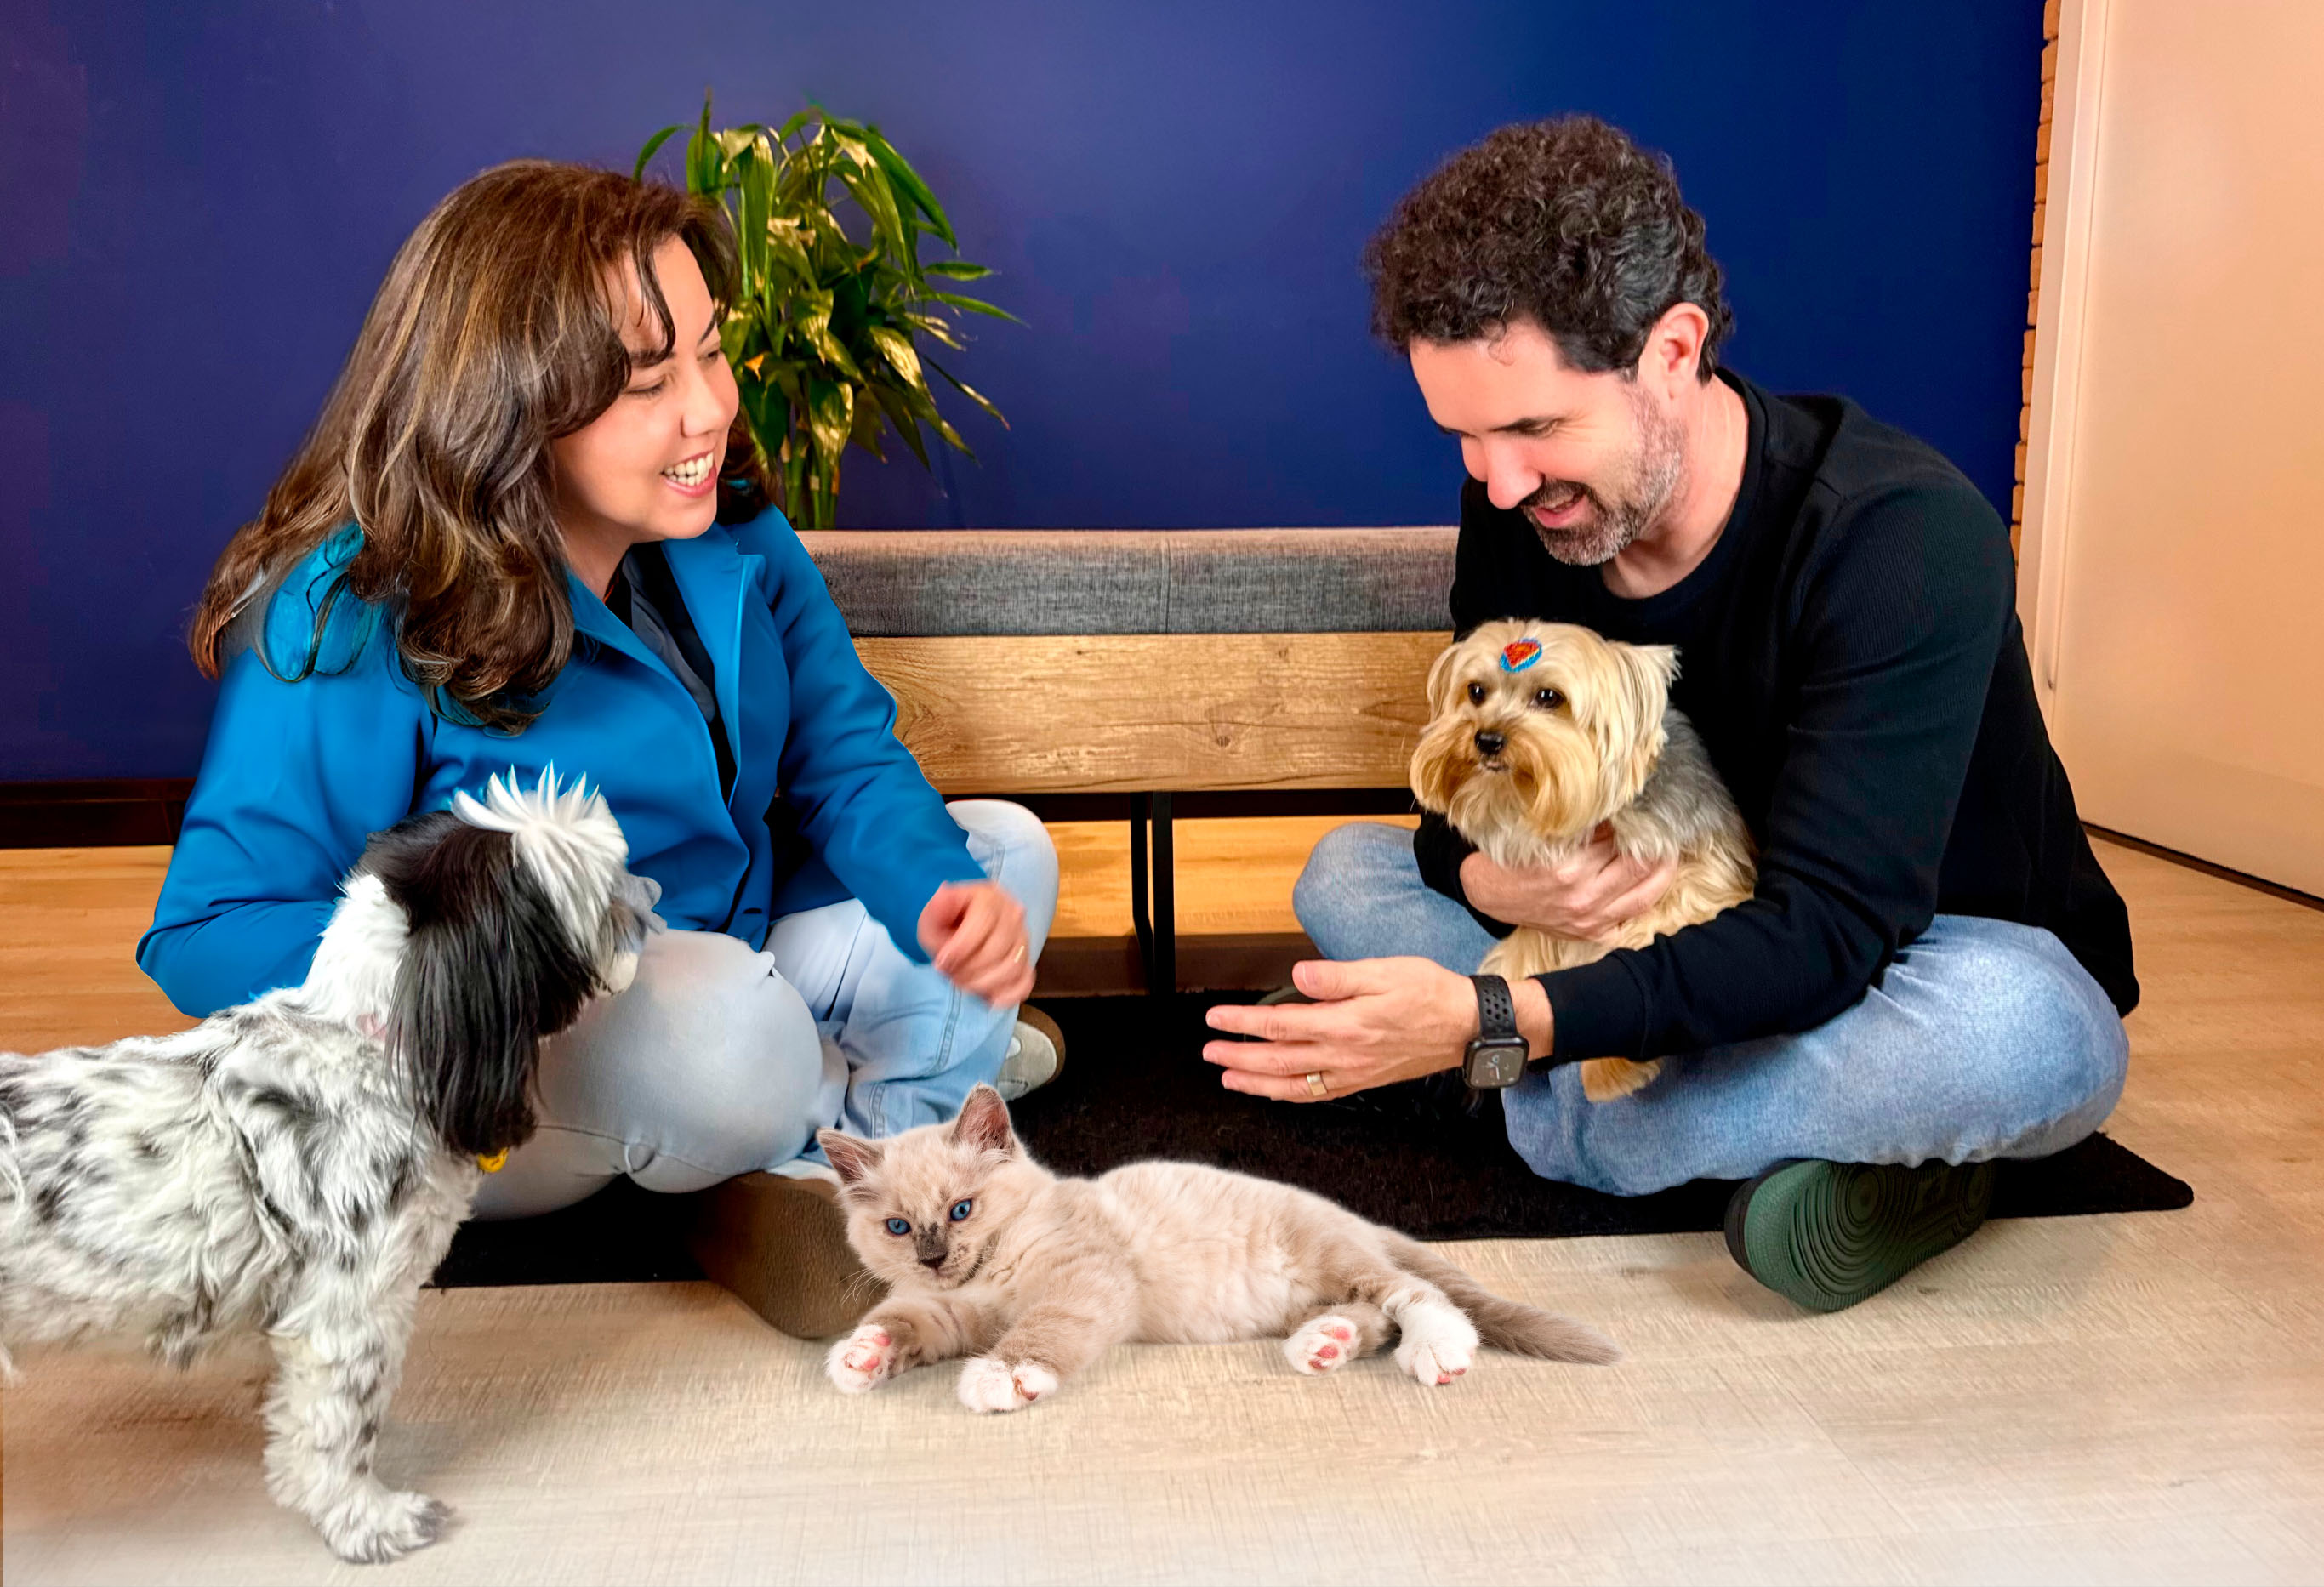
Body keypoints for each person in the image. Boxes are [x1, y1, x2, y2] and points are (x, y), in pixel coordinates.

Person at [1205, 117, 2135, 1312]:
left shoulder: (1900, 537)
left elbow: (1829, 931)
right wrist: (1494, 886)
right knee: (1346, 871)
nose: (1496, 482)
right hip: (1626, 938)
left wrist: (1499, 1013)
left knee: (2023, 1033)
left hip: (1907, 964)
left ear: (1673, 351)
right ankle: (1744, 1124)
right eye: (1465, 437)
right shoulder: (1517, 510)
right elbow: (1462, 808)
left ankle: (1536, 1098)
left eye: (1536, 426)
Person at [140, 161, 1060, 1337]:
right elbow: (210, 929)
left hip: (730, 950)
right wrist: (484, 990)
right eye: (645, 380)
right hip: (507, 1057)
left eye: (712, 352)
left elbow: (845, 749)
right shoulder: (350, 606)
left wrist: (939, 889)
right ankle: (836, 1104)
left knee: (1005, 855)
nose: (708, 410)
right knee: (732, 1026)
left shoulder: (734, 531)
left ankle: (833, 1167)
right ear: (511, 398)